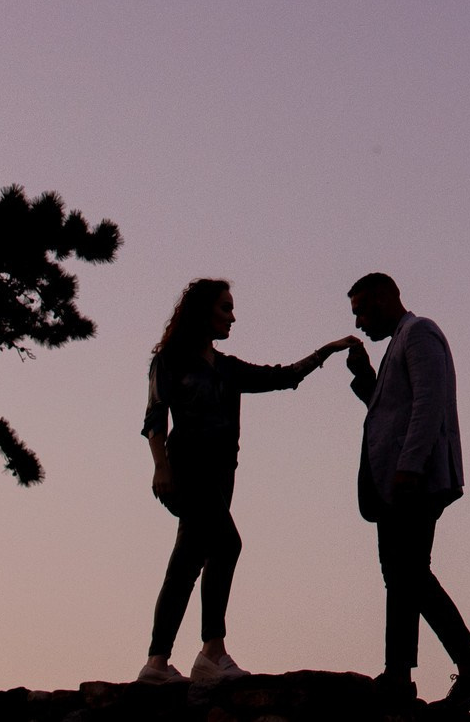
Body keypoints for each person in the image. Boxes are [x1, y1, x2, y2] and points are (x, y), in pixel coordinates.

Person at [138, 278, 356, 686]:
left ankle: (157, 662)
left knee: (187, 561)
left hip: (222, 476)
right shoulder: (170, 360)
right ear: (203, 311)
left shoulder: (227, 368)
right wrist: (160, 466)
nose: (232, 316)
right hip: (187, 469)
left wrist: (326, 351)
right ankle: (212, 651)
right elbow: (155, 417)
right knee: (226, 544)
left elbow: (284, 376)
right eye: (225, 308)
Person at [344, 273, 470, 713]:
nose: (359, 322)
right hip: (398, 482)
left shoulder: (419, 333)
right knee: (403, 574)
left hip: (412, 480)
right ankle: (403, 674)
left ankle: (467, 670)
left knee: (407, 572)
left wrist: (409, 467)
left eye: (362, 310)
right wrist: (365, 379)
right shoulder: (401, 342)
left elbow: (429, 403)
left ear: (385, 297)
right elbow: (394, 407)